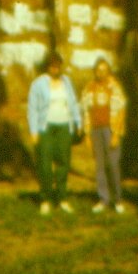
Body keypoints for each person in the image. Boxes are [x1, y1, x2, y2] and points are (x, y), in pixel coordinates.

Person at [27, 51, 81, 215]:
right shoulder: (38, 84)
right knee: (45, 163)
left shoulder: (67, 82)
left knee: (64, 163)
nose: (55, 68)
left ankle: (62, 198)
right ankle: (45, 199)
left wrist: (78, 122)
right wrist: (34, 130)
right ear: (47, 67)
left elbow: (73, 103)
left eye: (58, 65)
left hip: (64, 127)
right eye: (52, 65)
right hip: (46, 128)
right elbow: (32, 108)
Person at [81, 58, 127, 215]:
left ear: (108, 71)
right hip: (95, 130)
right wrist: (87, 134)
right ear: (94, 71)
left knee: (113, 164)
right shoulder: (89, 88)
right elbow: (86, 112)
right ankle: (103, 199)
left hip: (110, 130)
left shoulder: (114, 87)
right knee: (99, 166)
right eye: (98, 70)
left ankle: (117, 200)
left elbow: (121, 111)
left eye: (104, 70)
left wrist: (116, 134)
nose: (101, 73)